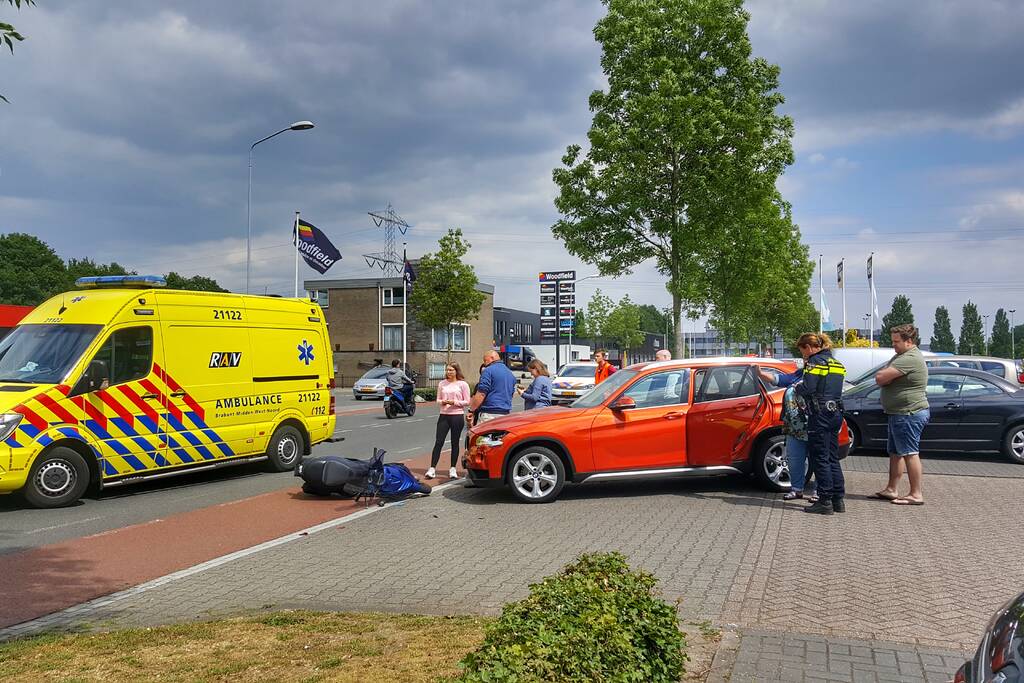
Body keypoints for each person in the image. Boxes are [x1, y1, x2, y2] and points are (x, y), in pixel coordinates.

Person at [872, 324, 930, 506]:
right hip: (899, 413)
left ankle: (916, 494)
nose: (893, 345)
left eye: (896, 342)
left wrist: (885, 377)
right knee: (896, 453)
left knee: (910, 453)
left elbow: (880, 378)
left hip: (908, 413)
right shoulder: (901, 356)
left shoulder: (910, 358)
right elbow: (882, 376)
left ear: (909, 341)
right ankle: (891, 489)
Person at [794, 333, 846, 515]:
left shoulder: (815, 363)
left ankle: (824, 501)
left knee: (820, 457)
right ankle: (838, 500)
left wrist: (797, 387)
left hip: (820, 413)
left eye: (802, 351)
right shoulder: (836, 364)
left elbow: (808, 388)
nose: (803, 355)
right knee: (832, 456)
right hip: (836, 412)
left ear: (809, 347)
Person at [758, 364, 816, 502]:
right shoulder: (798, 375)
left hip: (815, 425)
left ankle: (819, 492)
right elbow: (778, 379)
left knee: (819, 460)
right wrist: (760, 373)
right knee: (794, 459)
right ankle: (796, 489)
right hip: (794, 428)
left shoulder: (821, 377)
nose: (806, 360)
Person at [426, 363, 471, 480]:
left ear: (456, 371)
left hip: (457, 416)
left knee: (454, 442)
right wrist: (443, 402)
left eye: (451, 370)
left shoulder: (463, 384)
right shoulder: (442, 383)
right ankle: (432, 469)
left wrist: (454, 402)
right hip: (444, 415)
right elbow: (438, 399)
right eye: (447, 370)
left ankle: (452, 469)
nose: (449, 372)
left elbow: (467, 401)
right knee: (439, 441)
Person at [468, 350, 517, 426]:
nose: (484, 363)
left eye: (485, 360)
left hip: (489, 413)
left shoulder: (488, 371)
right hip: (505, 414)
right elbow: (512, 394)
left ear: (492, 358)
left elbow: (481, 393)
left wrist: (471, 410)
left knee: (483, 437)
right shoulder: (510, 373)